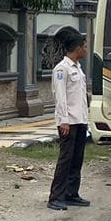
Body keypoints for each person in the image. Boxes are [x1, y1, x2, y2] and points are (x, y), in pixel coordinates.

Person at [48, 29, 92, 210]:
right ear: (77, 48)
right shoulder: (61, 69)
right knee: (65, 159)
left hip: (80, 120)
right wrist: (63, 120)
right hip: (69, 122)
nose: (87, 49)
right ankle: (55, 197)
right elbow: (60, 97)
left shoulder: (78, 68)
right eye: (85, 46)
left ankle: (71, 193)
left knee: (77, 159)